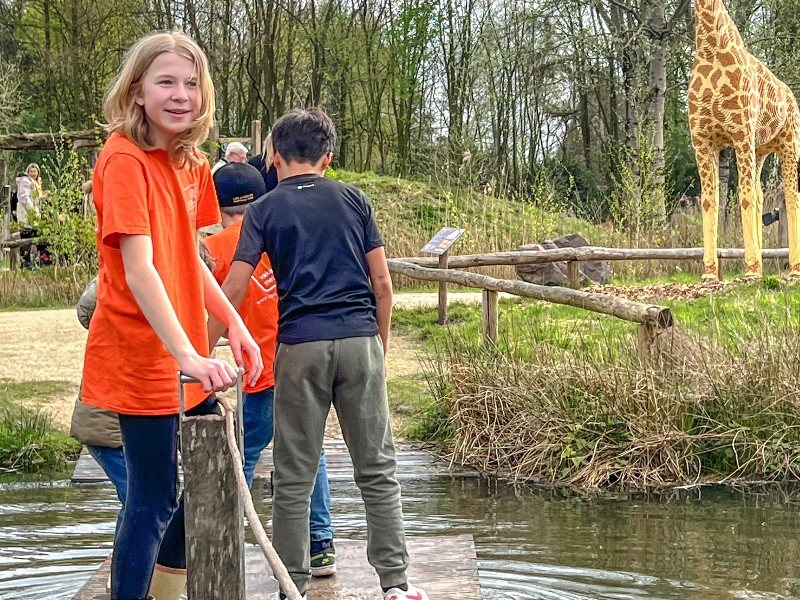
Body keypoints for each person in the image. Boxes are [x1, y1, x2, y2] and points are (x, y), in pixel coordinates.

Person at [80, 30, 262, 600]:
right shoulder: (123, 160)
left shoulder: (192, 163)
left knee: (224, 473)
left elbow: (190, 259)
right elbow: (140, 269)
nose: (181, 94)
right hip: (141, 353)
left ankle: (166, 587)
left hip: (184, 356)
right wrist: (185, 352)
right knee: (153, 497)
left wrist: (233, 324)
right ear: (136, 91)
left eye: (191, 83)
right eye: (166, 82)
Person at [220, 108, 428, 600]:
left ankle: (290, 585)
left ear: (273, 155)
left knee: (294, 476)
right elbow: (382, 284)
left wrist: (203, 342)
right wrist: (380, 346)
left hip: (300, 347)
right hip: (360, 341)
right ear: (327, 159)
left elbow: (234, 287)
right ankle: (396, 585)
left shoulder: (265, 210)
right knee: (377, 470)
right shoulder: (355, 200)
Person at [204, 160, 337, 576]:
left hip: (258, 372)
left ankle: (224, 538)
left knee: (240, 455)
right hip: (304, 359)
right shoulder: (287, 230)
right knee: (308, 452)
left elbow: (214, 307)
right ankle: (320, 544)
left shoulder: (217, 248)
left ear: (217, 205)